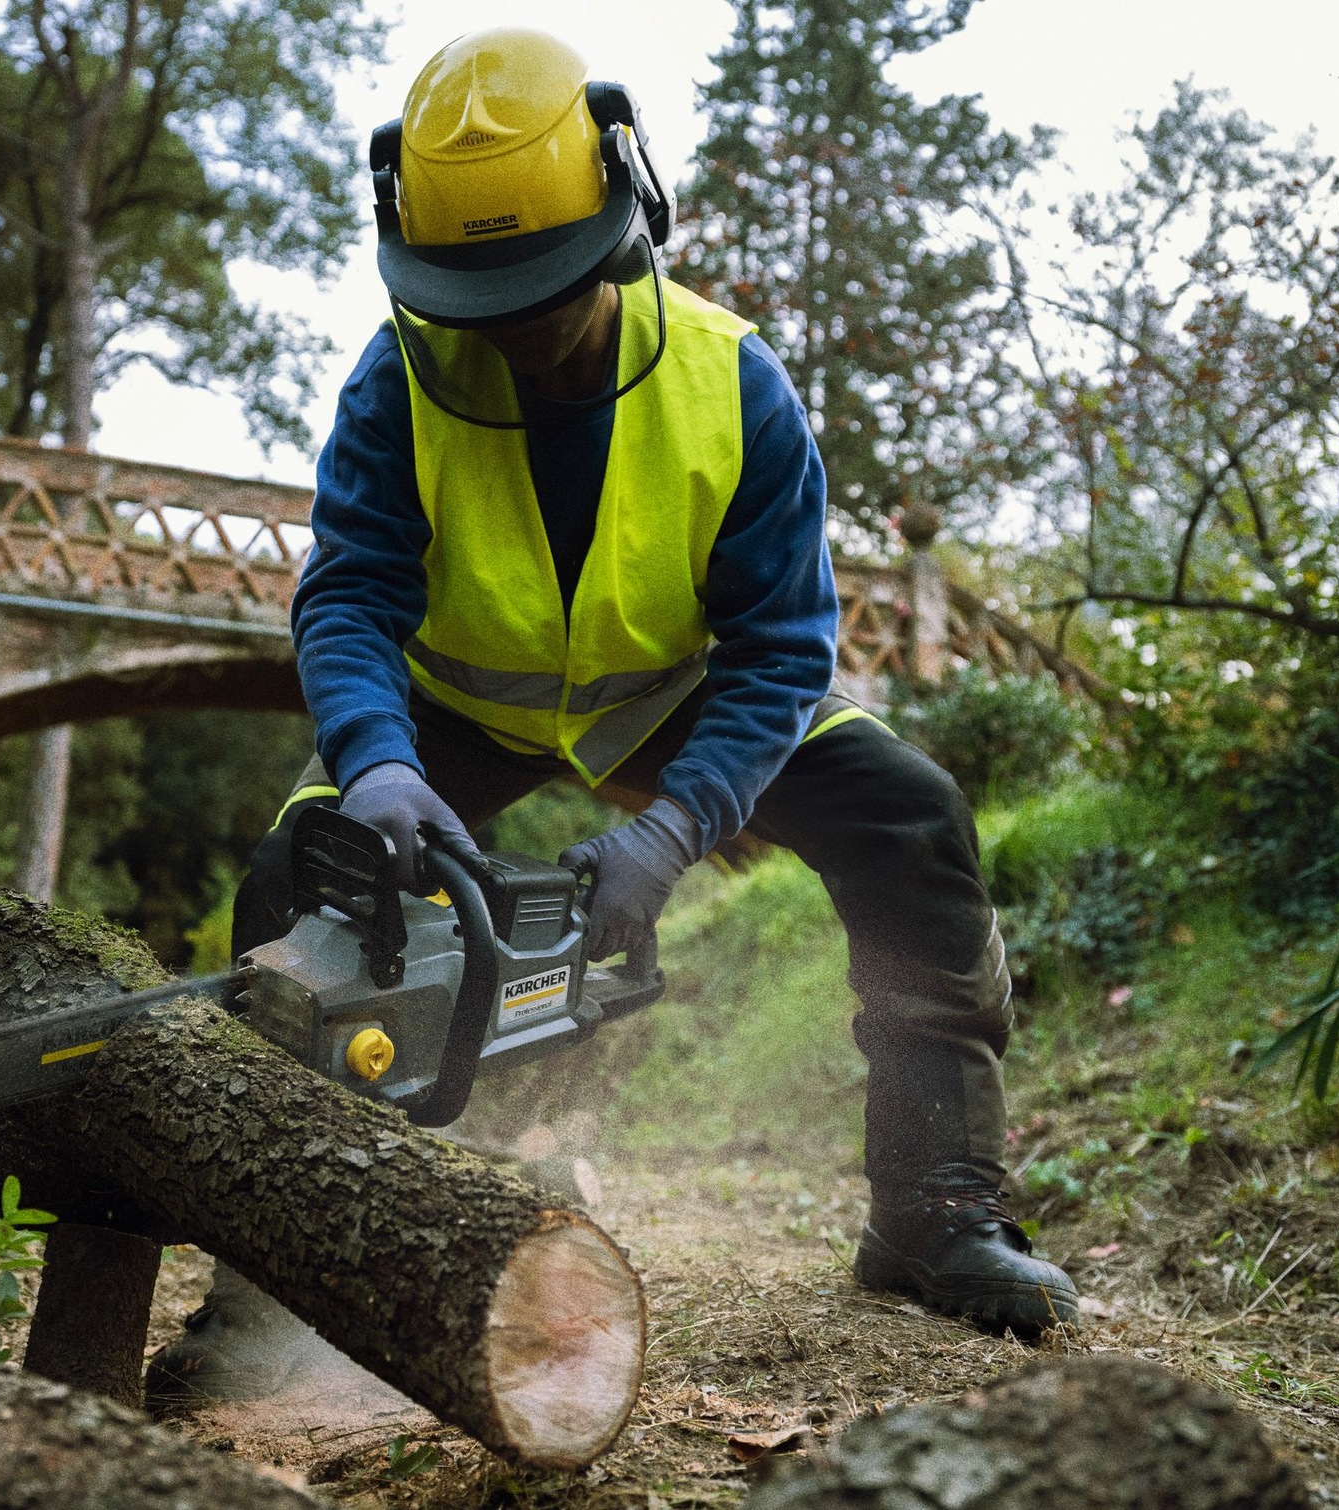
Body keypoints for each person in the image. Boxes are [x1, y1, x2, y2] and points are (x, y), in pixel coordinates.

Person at [149, 26, 1075, 1402]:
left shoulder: (734, 383)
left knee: (911, 819)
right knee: (298, 875)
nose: (520, 334)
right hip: (454, 705)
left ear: (626, 220)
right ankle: (274, 1273)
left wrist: (677, 825)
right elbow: (346, 596)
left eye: (548, 294)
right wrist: (378, 760)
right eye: (483, 303)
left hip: (674, 696)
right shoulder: (394, 381)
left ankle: (935, 1210)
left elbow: (779, 649)